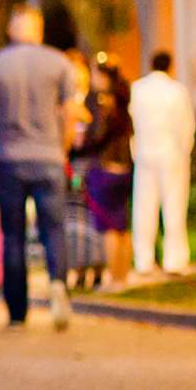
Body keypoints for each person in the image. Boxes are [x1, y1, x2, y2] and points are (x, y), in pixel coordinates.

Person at [0, 5, 78, 330]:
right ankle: (58, 284)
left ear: (11, 29)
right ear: (40, 29)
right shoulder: (60, 63)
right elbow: (70, 113)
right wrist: (62, 150)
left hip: (9, 158)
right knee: (53, 229)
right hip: (48, 157)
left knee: (13, 236)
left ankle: (17, 312)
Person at [128, 52, 194, 278]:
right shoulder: (177, 91)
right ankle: (174, 259)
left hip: (145, 153)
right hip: (171, 154)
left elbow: (132, 121)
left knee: (143, 208)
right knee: (174, 207)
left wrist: (135, 149)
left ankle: (143, 259)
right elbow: (185, 126)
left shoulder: (137, 90)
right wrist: (184, 152)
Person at [77, 62, 134, 289]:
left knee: (109, 226)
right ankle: (123, 276)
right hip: (125, 169)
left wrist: (81, 145)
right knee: (122, 225)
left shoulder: (104, 105)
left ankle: (114, 278)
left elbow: (97, 138)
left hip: (106, 169)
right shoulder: (124, 106)